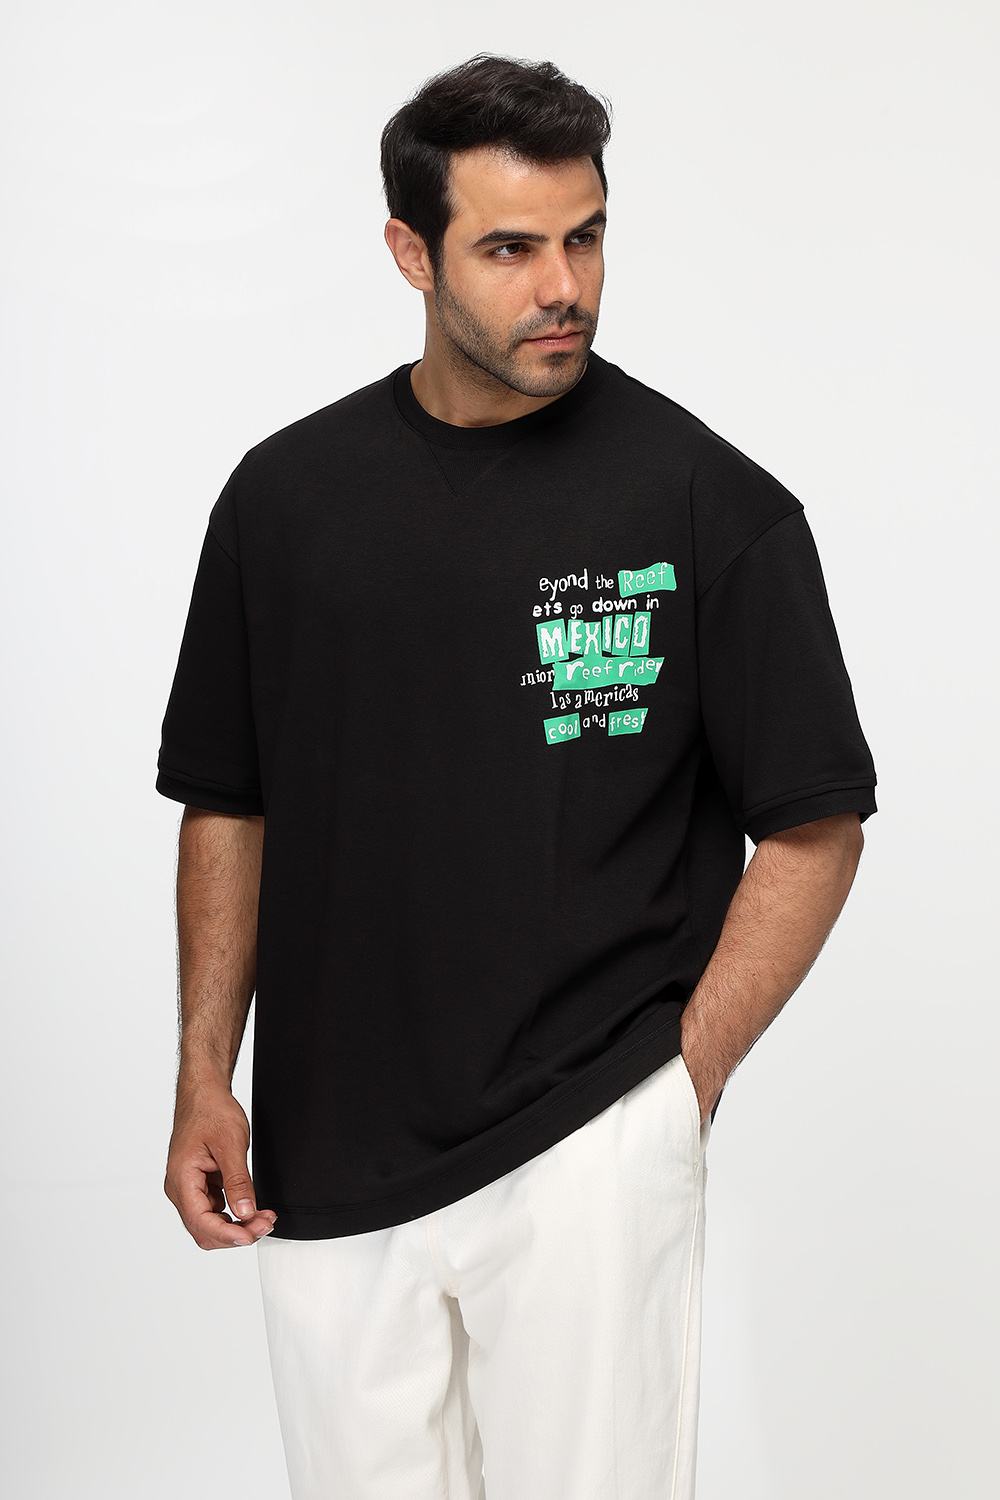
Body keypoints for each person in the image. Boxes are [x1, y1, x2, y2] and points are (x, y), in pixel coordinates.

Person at [158, 53, 876, 1500]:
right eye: (510, 249)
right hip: (326, 1153)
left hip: (585, 1141)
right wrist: (202, 1075)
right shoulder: (284, 502)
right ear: (410, 252)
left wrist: (680, 1082)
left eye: (585, 236)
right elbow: (230, 797)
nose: (564, 286)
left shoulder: (706, 502)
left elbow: (816, 823)